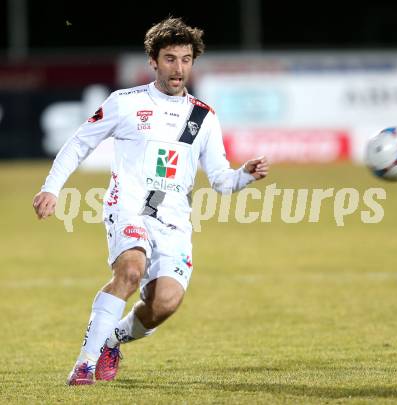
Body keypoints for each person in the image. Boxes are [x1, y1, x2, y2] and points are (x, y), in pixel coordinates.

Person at [33, 17, 269, 386]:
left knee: (164, 304)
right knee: (129, 272)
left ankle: (113, 339)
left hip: (173, 219)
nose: (179, 68)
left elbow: (222, 181)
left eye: (186, 59)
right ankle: (84, 363)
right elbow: (80, 142)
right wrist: (52, 187)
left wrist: (245, 175)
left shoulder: (203, 117)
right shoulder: (125, 103)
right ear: (153, 62)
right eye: (170, 58)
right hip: (127, 205)